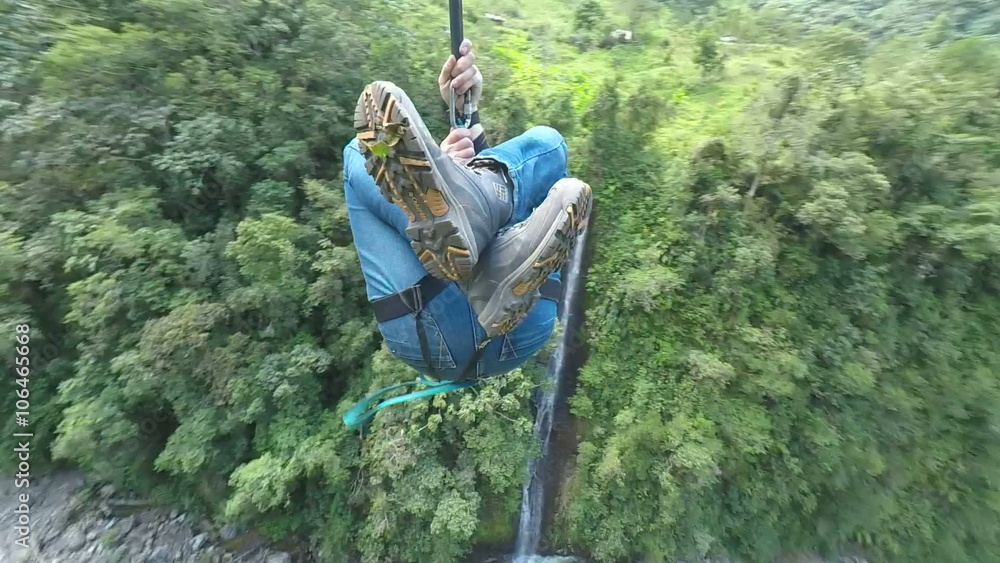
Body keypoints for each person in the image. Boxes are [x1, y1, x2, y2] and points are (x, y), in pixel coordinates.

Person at [342, 39, 591, 386]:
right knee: (549, 145)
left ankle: (464, 193)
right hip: (528, 327)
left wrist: (463, 127)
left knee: (357, 151)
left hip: (427, 328)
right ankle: (467, 200)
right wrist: (463, 129)